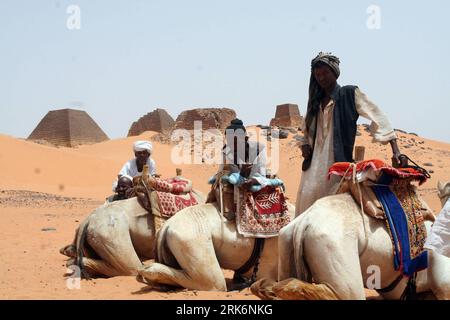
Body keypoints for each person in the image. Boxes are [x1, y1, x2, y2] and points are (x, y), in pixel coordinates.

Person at [295, 52, 404, 215]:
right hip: (313, 165)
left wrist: (396, 150)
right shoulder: (315, 102)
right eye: (317, 75)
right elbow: (305, 130)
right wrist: (304, 144)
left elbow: (378, 116)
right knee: (306, 206)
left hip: (337, 162)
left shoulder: (349, 94)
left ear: (335, 73)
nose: (321, 78)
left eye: (325, 73)